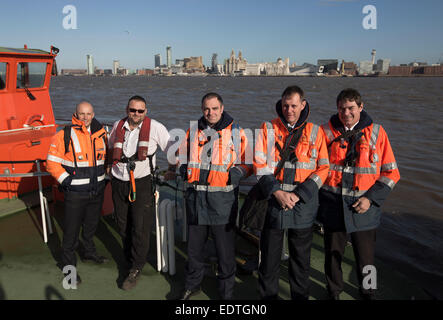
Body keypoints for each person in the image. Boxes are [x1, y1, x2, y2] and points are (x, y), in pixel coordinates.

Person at [318, 88, 400, 300]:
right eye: (342, 108)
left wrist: (370, 199)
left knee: (367, 260)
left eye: (351, 108)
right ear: (337, 109)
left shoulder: (377, 133)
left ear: (361, 107)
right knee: (332, 256)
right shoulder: (324, 132)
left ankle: (368, 293)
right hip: (333, 206)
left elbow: (391, 173)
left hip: (365, 208)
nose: (346, 113)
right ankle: (333, 292)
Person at [172, 92, 252, 300]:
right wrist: (181, 168)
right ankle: (192, 285)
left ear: (222, 109)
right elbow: (180, 156)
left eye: (215, 108)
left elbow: (249, 162)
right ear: (202, 110)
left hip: (222, 204)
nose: (211, 113)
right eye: (207, 109)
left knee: (225, 253)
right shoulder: (192, 132)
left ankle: (226, 293)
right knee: (194, 250)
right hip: (195, 201)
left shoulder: (237, 132)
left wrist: (237, 173)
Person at [253, 85, 329, 300]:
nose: (289, 110)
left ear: (303, 105)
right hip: (273, 204)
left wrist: (299, 194)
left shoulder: (316, 132)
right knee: (269, 261)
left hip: (302, 206)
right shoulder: (267, 128)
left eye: (294, 106)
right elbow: (260, 164)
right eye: (285, 105)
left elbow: (323, 167)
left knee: (300, 262)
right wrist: (277, 192)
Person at [108, 95, 171, 291]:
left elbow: (172, 150)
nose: (136, 114)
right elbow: (111, 148)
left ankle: (136, 268)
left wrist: (172, 170)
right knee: (122, 223)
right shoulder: (117, 125)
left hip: (142, 183)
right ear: (127, 109)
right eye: (132, 110)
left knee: (140, 227)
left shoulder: (156, 128)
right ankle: (128, 259)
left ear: (146, 111)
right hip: (118, 181)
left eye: (140, 111)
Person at [47, 101, 109, 285]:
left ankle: (89, 253)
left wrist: (104, 179)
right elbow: (51, 162)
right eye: (82, 113)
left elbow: (104, 159)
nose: (85, 117)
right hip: (75, 193)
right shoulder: (64, 135)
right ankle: (69, 269)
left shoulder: (101, 134)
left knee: (90, 227)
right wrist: (67, 181)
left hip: (96, 191)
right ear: (76, 113)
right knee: (71, 234)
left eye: (89, 113)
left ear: (93, 113)